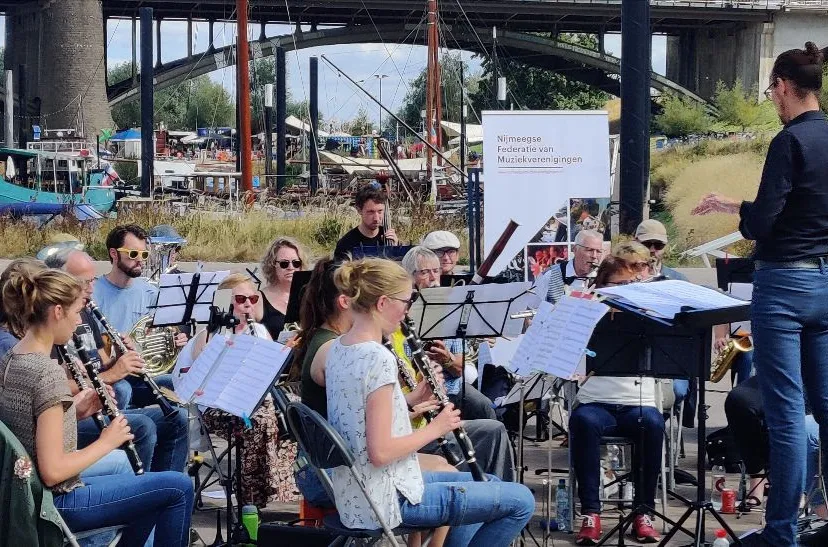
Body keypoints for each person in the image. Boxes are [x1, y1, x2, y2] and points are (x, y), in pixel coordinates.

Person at [691, 42, 828, 547]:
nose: (772, 98)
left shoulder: (788, 142)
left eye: (772, 89)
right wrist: (737, 202)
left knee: (787, 411)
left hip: (785, 285)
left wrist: (743, 215)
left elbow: (765, 221)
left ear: (785, 86)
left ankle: (780, 532)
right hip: (826, 282)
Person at [324, 257, 534, 545]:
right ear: (383, 303)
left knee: (490, 485)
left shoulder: (340, 348)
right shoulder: (378, 358)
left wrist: (412, 398)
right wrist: (436, 428)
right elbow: (381, 452)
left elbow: (362, 417)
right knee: (521, 501)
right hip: (388, 498)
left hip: (357, 493)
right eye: (407, 301)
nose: (408, 311)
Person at [0, 267, 193, 546]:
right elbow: (53, 471)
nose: (79, 321)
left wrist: (74, 412)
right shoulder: (47, 372)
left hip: (26, 496)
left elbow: (29, 426)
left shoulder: (13, 359)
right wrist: (107, 440)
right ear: (57, 312)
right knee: (179, 487)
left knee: (153, 493)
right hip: (55, 502)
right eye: (77, 312)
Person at [46, 248, 189, 473]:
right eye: (84, 282)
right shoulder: (53, 323)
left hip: (101, 393)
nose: (91, 288)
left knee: (177, 417)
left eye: (92, 280)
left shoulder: (86, 312)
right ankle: (136, 491)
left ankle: (163, 488)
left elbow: (103, 362)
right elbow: (55, 391)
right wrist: (111, 376)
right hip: (75, 412)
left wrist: (119, 358)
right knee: (135, 412)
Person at [570, 255, 663, 545]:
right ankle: (591, 513)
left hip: (639, 400)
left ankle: (643, 512)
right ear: (603, 286)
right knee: (582, 421)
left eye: (630, 284)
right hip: (596, 401)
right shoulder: (589, 313)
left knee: (653, 423)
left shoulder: (649, 315)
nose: (626, 290)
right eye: (619, 284)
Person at [192, 272, 299, 507]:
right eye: (241, 299)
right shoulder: (211, 335)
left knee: (292, 413)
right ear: (224, 303)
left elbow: (270, 374)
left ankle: (274, 487)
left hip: (255, 402)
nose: (248, 304)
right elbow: (201, 382)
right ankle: (254, 497)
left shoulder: (259, 331)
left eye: (253, 298)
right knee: (261, 422)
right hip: (218, 407)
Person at [92, 225, 186, 410]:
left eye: (144, 255)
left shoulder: (151, 291)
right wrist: (115, 359)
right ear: (114, 253)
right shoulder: (93, 292)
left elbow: (160, 333)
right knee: (122, 390)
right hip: (111, 372)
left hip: (143, 372)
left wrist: (175, 341)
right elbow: (92, 348)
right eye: (133, 254)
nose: (140, 261)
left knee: (183, 384)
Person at [400, 246, 496, 420]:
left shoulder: (450, 309)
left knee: (485, 408)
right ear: (410, 276)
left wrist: (446, 359)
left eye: (436, 271)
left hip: (452, 389)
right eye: (424, 272)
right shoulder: (400, 312)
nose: (432, 278)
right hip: (417, 392)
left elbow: (459, 369)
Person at [724, 376, 824, 515]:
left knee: (798, 416)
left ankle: (798, 490)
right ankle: (757, 477)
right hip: (781, 371)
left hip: (816, 374)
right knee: (739, 400)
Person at [533, 229, 604, 305]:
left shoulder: (604, 277)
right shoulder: (550, 275)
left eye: (599, 251)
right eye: (589, 250)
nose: (594, 256)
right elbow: (530, 311)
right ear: (575, 249)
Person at [257, 236, 307, 339]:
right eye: (284, 264)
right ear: (272, 265)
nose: (291, 267)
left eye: (296, 263)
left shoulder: (309, 295)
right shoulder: (258, 299)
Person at [333, 183, 398, 259]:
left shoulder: (389, 238)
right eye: (371, 212)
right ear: (359, 210)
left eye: (380, 211)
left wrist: (395, 249)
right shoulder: (346, 244)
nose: (376, 218)